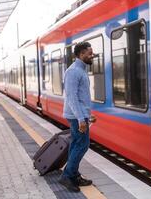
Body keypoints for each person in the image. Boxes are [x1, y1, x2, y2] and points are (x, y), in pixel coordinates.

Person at [59, 42, 97, 192]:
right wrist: (81, 118)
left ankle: (73, 174)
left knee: (76, 144)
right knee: (82, 144)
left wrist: (87, 115)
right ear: (81, 54)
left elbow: (81, 97)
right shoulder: (74, 71)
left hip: (79, 115)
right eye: (89, 53)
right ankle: (67, 176)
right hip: (76, 117)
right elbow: (72, 98)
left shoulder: (80, 70)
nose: (92, 55)